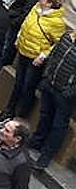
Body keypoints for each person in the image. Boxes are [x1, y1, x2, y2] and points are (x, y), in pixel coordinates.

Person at [30, 29, 76, 170]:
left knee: (58, 125)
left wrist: (69, 91)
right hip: (51, 84)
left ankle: (46, 156)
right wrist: (46, 77)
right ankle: (36, 141)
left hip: (65, 94)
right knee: (45, 116)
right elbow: (53, 56)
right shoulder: (66, 37)